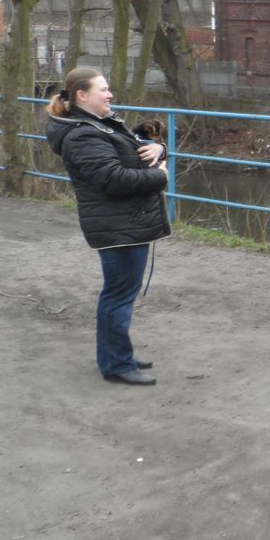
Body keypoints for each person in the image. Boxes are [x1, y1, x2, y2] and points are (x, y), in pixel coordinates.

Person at [46, 67, 170, 386]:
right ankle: (116, 363)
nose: (109, 93)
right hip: (117, 227)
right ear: (81, 96)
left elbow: (134, 154)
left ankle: (117, 354)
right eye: (103, 89)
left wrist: (159, 149)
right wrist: (161, 176)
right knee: (118, 295)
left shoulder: (100, 125)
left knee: (120, 293)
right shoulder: (83, 135)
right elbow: (113, 180)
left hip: (126, 223)